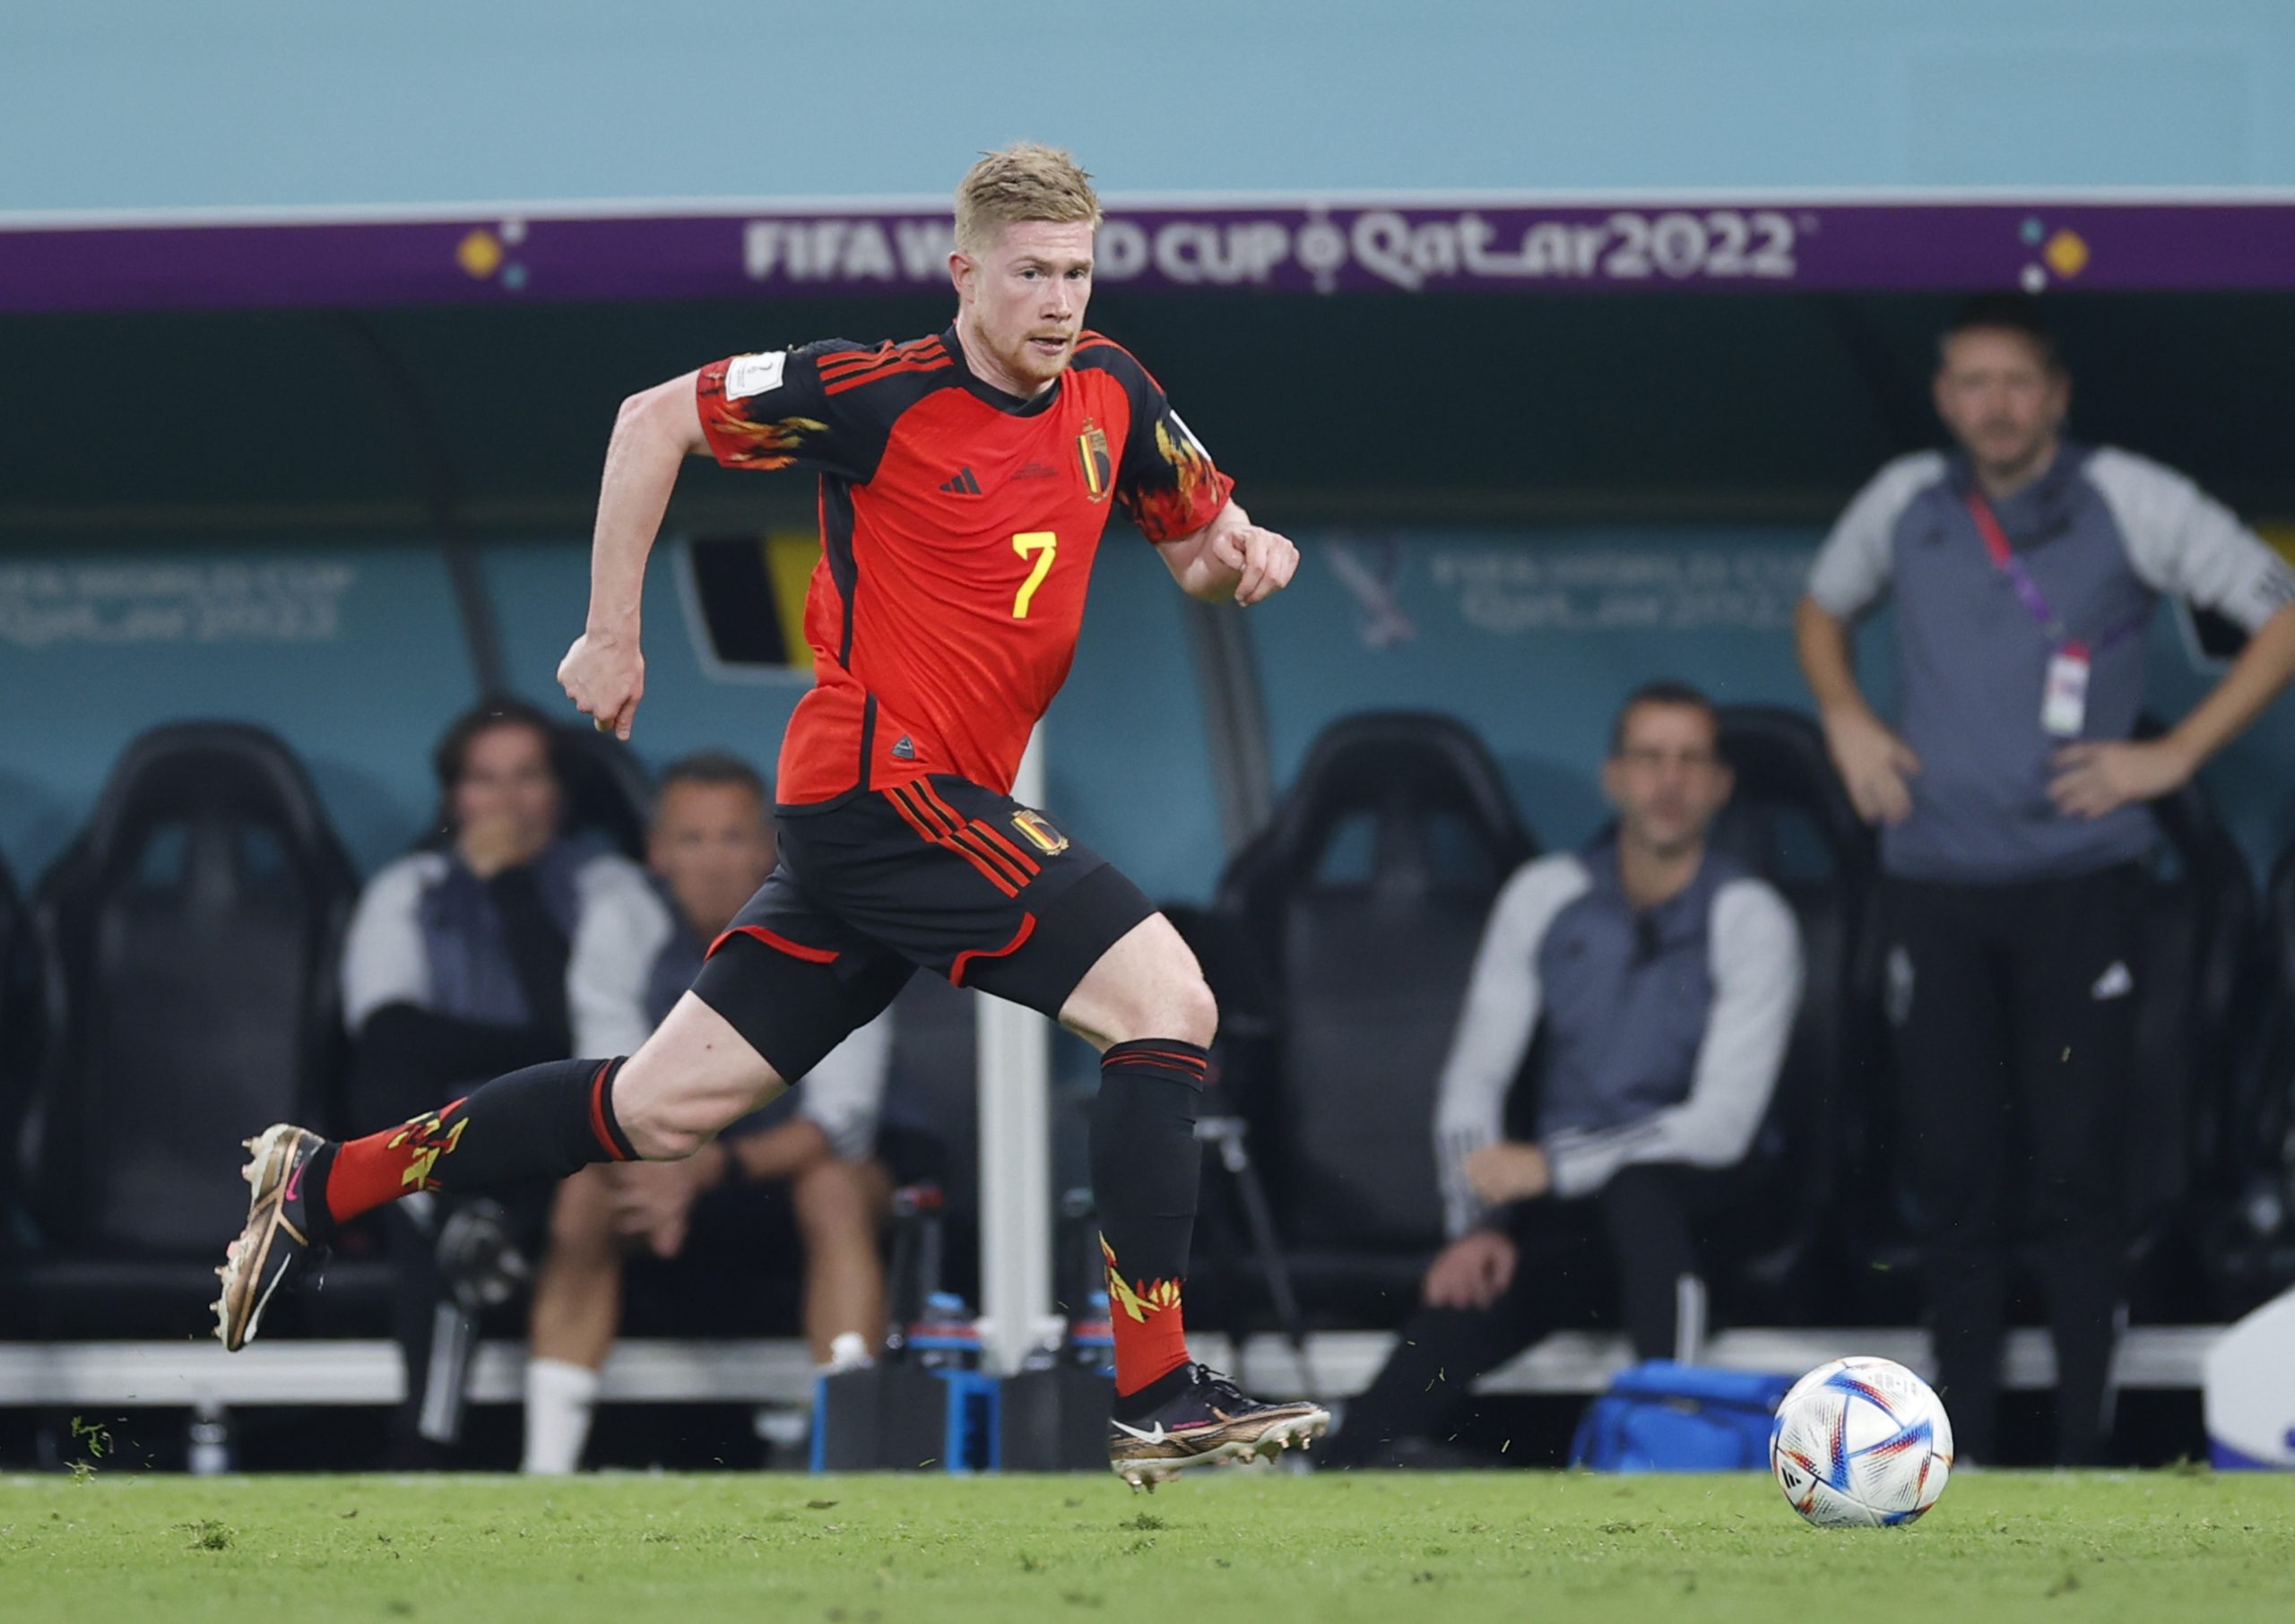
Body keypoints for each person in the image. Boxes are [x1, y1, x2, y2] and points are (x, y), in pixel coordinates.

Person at [214, 142, 1321, 1488]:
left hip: (889, 821)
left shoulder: (1114, 390)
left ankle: (326, 1186)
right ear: (965, 272)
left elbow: (1196, 544)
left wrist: (1243, 557)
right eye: (1030, 273)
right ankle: (1154, 1387)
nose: (1057, 300)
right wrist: (612, 635)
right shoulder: (874, 391)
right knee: (1169, 1003)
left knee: (664, 1107)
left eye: (1077, 273)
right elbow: (649, 419)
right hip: (887, 787)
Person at [1796, 295, 2295, 1464]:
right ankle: (1951, 1446)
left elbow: (2279, 614)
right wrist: (1846, 720)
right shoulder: (1906, 502)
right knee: (1957, 1173)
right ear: (1943, 396)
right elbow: (1822, 611)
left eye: (2017, 381)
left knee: (2078, 1173)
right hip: (1937, 881)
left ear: (2056, 394)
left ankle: (2082, 1443)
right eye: (1973, 381)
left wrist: (2172, 757)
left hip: (2082, 886)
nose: (1996, 404)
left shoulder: (2128, 494)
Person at [1322, 683, 1802, 1467]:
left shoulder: (1751, 917)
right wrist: (1477, 1224)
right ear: (1615, 776)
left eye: (1690, 760)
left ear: (1720, 786)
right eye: (1650, 758)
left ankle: (1669, 1441)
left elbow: (1722, 1127)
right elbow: (1474, 1079)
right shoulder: (1545, 896)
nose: (1669, 781)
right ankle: (1339, 1462)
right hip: (1573, 1212)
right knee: (1474, 1285)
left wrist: (1549, 1165)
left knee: (1642, 1192)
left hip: (1710, 1209)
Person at [522, 750, 896, 1475]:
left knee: (836, 1185)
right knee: (584, 1192)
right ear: (657, 852)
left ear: (769, 847)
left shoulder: (838, 924)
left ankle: (850, 1461)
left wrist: (708, 1168)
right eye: (692, 840)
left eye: (733, 838)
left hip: (778, 1172)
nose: (715, 862)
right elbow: (610, 1090)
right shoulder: (622, 921)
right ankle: (546, 1469)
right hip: (655, 1171)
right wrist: (671, 1176)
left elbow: (838, 1121)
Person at [338, 697, 673, 1460]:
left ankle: (422, 1447)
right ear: (455, 797)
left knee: (454, 1178)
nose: (507, 802)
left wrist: (511, 894)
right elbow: (388, 1034)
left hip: (557, 1146)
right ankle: (460, 1220)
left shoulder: (608, 886)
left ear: (559, 792)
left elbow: (585, 1042)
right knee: (408, 1131)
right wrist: (510, 1050)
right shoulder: (409, 889)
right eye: (485, 780)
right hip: (438, 1139)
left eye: (528, 778)